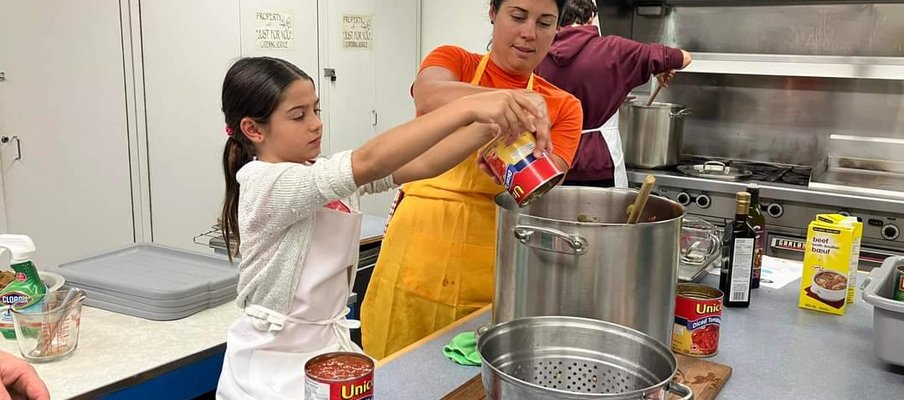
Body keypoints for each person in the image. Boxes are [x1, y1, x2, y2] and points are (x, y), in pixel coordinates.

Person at [214, 56, 544, 399]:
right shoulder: (265, 182)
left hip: (326, 351)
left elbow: (423, 162)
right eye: (298, 116)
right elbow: (369, 161)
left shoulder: (318, 173)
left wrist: (491, 127)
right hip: (271, 364)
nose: (315, 124)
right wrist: (469, 107)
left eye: (316, 110)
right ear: (254, 129)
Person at [361, 0, 583, 359]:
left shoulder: (563, 106)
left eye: (545, 23)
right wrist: (509, 102)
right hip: (415, 255)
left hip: (493, 264)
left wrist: (512, 156)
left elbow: (543, 187)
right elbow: (430, 94)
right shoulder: (455, 62)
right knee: (397, 370)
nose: (529, 33)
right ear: (493, 13)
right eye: (517, 16)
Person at [535, 0, 692, 188]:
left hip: (552, 160)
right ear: (591, 18)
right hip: (600, 160)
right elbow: (682, 58)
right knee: (603, 216)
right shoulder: (615, 49)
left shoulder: (538, 52)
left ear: (556, 20)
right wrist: (661, 68)